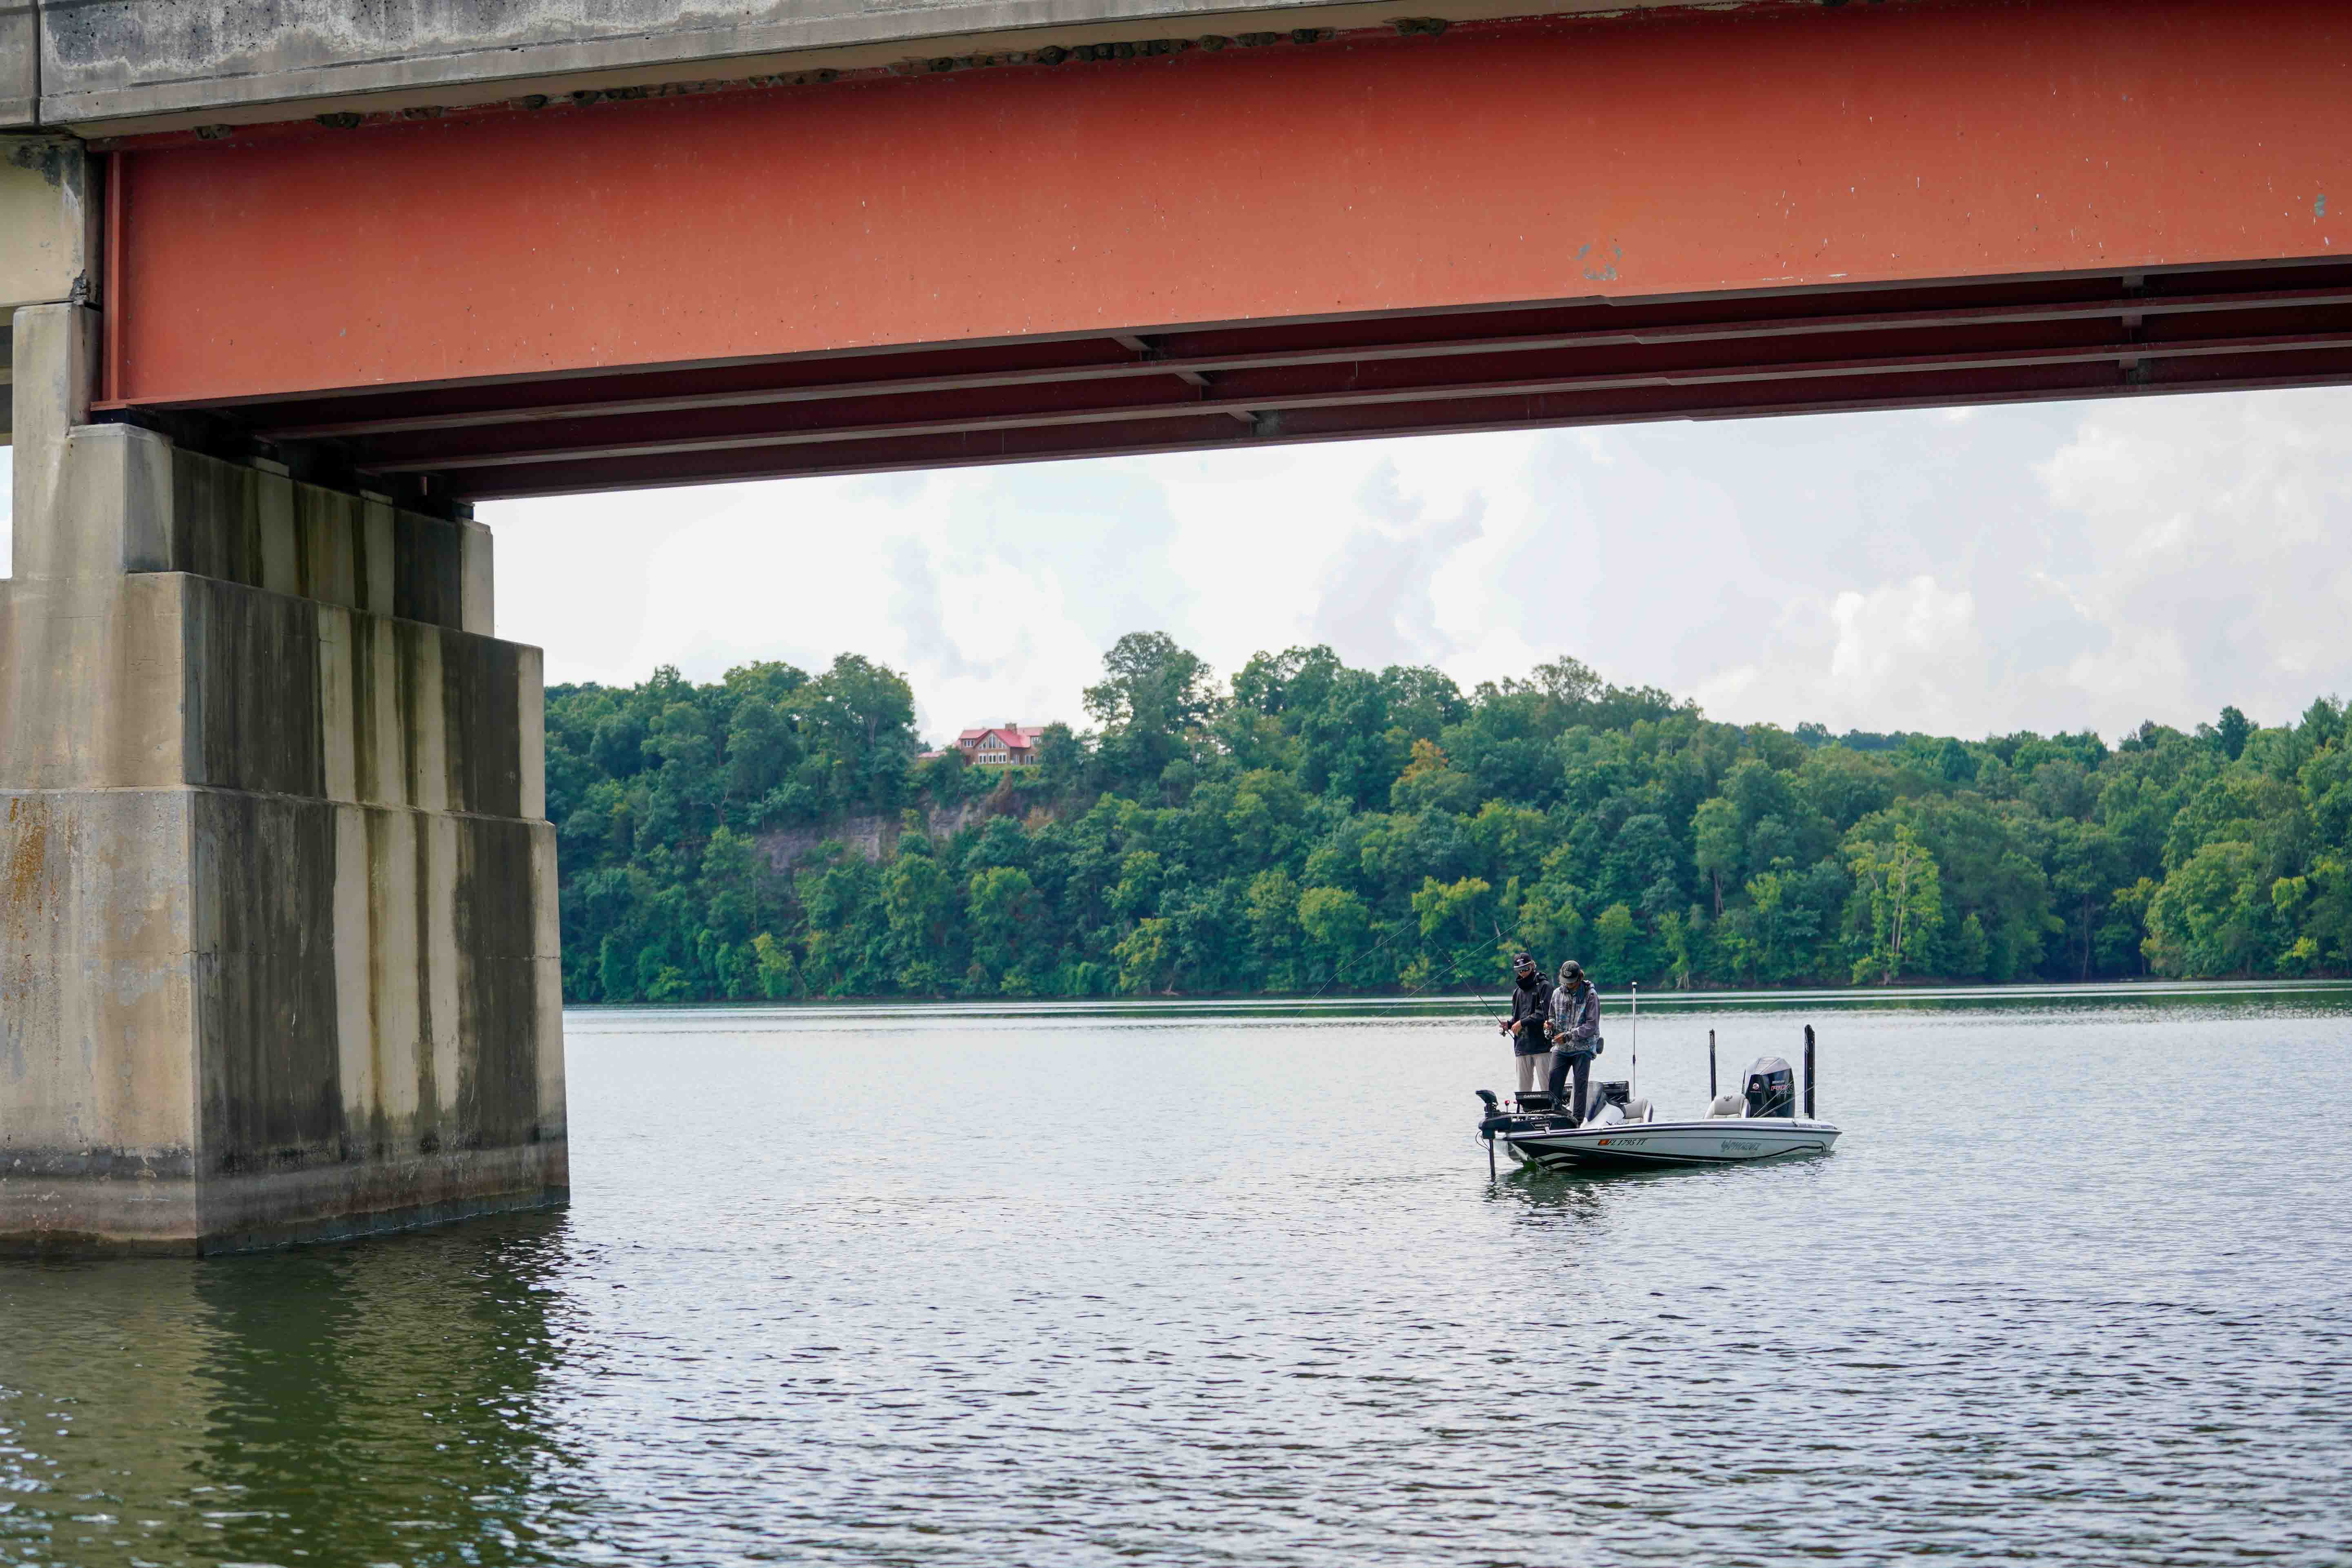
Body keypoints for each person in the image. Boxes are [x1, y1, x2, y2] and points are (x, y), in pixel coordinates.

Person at [1546, 960, 1602, 1124]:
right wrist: (1550, 1026)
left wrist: (1570, 1035)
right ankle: (1555, 1115)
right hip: (1561, 1047)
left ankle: (1577, 1120)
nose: (1568, 985)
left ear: (1580, 978)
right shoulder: (1557, 994)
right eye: (1566, 982)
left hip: (1583, 1046)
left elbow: (1592, 1026)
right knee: (1554, 1076)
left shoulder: (1591, 996)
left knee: (1580, 1084)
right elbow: (1552, 1017)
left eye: (1571, 982)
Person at [1499, 952, 1552, 1097]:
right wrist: (1509, 1025)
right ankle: (1524, 1110)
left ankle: (1552, 1109)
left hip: (1542, 1046)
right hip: (1522, 1046)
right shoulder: (1517, 992)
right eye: (1519, 970)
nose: (1523, 973)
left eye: (1526, 969)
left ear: (1533, 966)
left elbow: (1545, 1014)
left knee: (1548, 1087)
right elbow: (1517, 1018)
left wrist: (1522, 1023)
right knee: (1523, 1090)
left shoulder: (1545, 986)